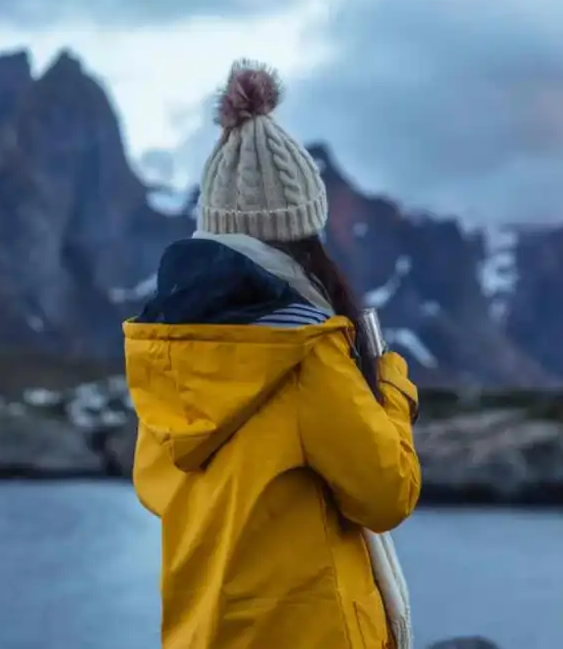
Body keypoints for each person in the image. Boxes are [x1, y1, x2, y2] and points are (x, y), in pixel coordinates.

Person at [123, 60, 422, 649]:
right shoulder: (303, 353)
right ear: (302, 229)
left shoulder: (169, 347)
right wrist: (390, 383)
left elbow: (154, 487)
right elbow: (387, 493)